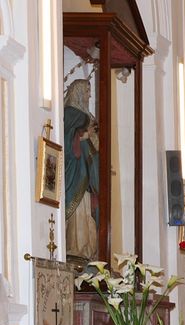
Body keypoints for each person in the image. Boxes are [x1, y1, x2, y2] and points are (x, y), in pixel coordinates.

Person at [64, 79, 101, 262]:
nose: (89, 95)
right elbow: (67, 139)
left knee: (87, 215)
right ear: (78, 92)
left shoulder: (86, 116)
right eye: (86, 91)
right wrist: (86, 135)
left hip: (87, 176)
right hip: (76, 174)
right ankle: (76, 251)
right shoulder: (71, 114)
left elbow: (92, 148)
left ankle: (87, 251)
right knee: (78, 215)